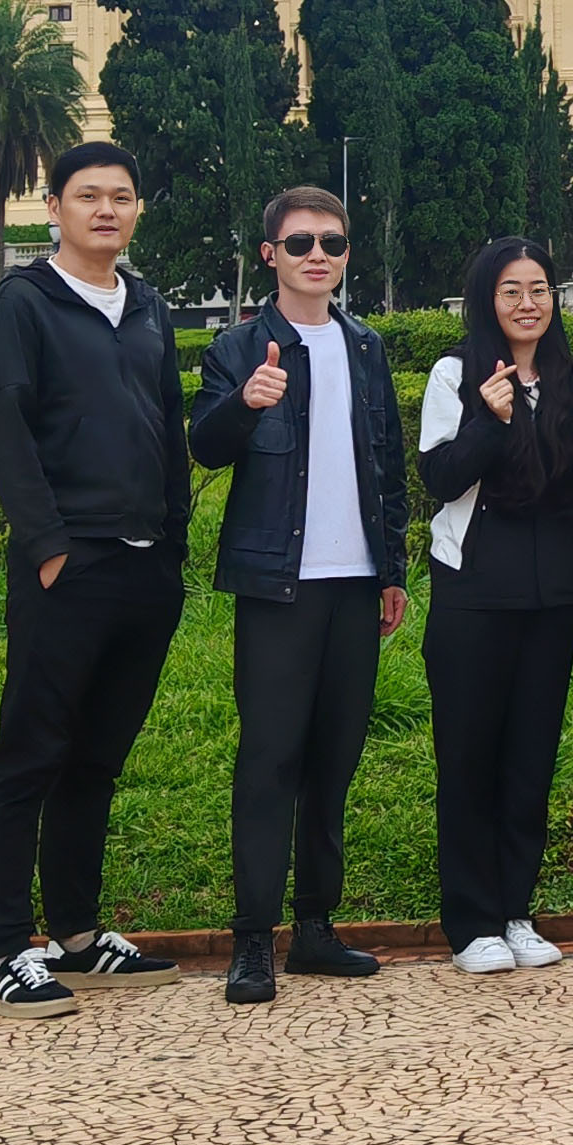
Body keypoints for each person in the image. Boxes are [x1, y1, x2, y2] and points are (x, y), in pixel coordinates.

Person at [0, 141, 194, 1018]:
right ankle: (1, 951)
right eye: (89, 196)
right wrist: (49, 545)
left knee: (97, 759)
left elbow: (166, 423)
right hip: (68, 564)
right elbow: (5, 429)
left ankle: (75, 933)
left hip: (145, 569)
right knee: (30, 752)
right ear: (52, 205)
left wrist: (173, 544)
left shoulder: (147, 306)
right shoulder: (22, 305)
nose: (107, 209)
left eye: (122, 196)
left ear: (137, 211)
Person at [189, 187, 412, 1005]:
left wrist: (392, 570)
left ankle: (316, 927)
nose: (318, 255)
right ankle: (253, 940)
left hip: (354, 586)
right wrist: (244, 405)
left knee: (334, 761)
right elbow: (203, 446)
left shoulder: (365, 347)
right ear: (270, 256)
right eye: (301, 243)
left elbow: (386, 465)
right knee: (269, 761)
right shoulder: (241, 346)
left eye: (333, 243)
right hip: (277, 588)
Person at [417, 237, 573, 977]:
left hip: (552, 594)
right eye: (512, 290)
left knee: (530, 757)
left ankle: (516, 909)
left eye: (540, 289)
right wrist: (489, 420)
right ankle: (472, 920)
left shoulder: (569, 378)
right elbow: (439, 477)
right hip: (475, 590)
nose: (528, 303)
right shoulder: (457, 372)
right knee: (469, 755)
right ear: (488, 298)